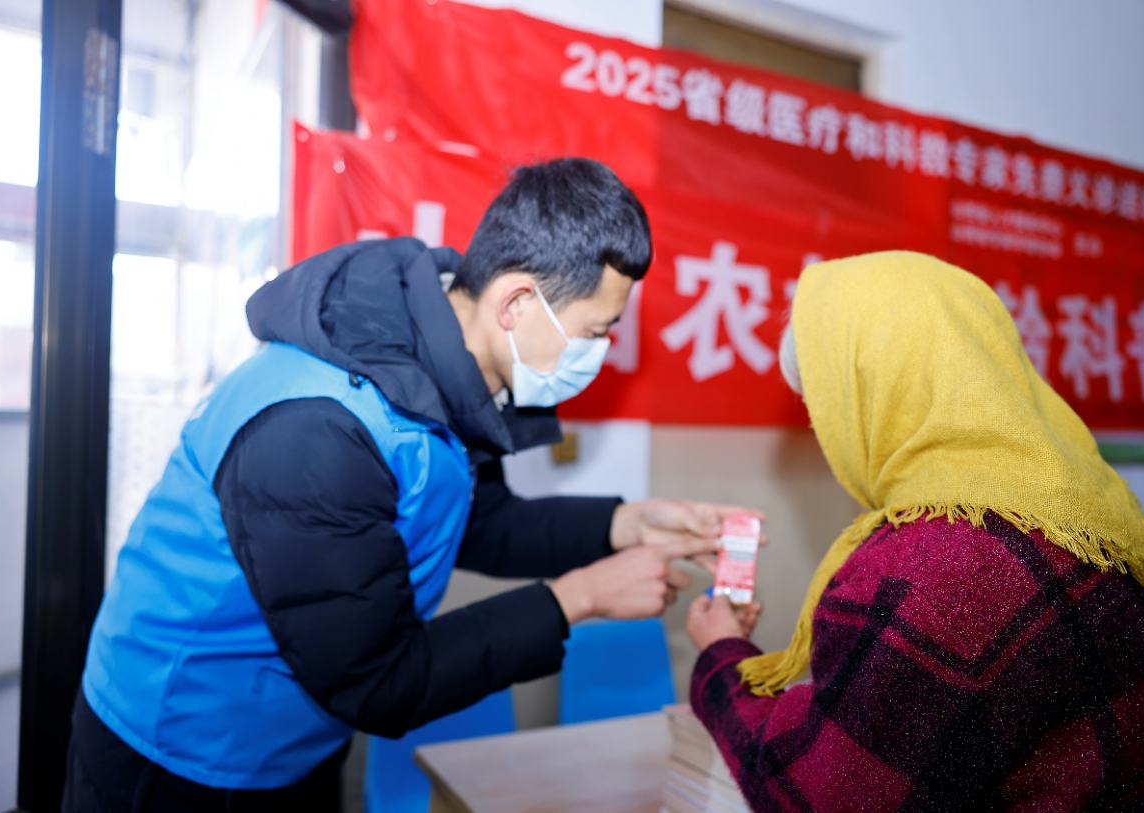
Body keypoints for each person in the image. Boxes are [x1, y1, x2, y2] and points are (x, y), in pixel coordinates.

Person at [64, 158, 754, 811]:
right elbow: (378, 679)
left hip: (297, 734)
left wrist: (625, 525)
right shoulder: (318, 430)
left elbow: (474, 520)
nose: (598, 354)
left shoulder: (447, 365)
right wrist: (581, 597)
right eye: (594, 332)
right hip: (179, 748)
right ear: (517, 302)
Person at [686, 251, 1144, 812]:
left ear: (872, 397)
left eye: (826, 408)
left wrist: (721, 656)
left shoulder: (929, 568)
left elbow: (817, 795)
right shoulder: (1099, 513)